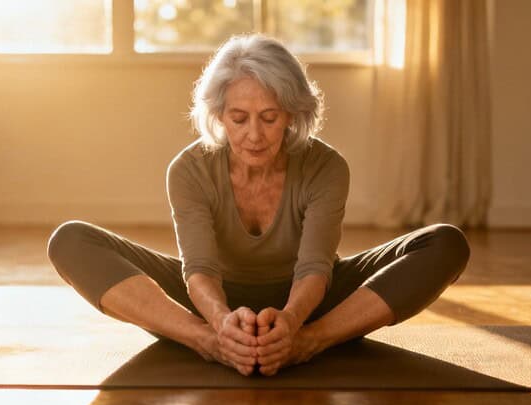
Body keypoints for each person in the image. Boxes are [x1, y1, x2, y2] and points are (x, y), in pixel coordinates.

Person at [47, 34, 470, 377]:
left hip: (310, 301)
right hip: (210, 300)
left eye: (269, 118)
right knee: (69, 240)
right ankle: (204, 342)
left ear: (292, 115)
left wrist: (293, 327)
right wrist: (215, 329)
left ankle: (313, 341)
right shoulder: (189, 169)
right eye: (238, 118)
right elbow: (199, 269)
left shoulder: (326, 166)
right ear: (218, 115)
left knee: (446, 243)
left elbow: (314, 268)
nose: (254, 134)